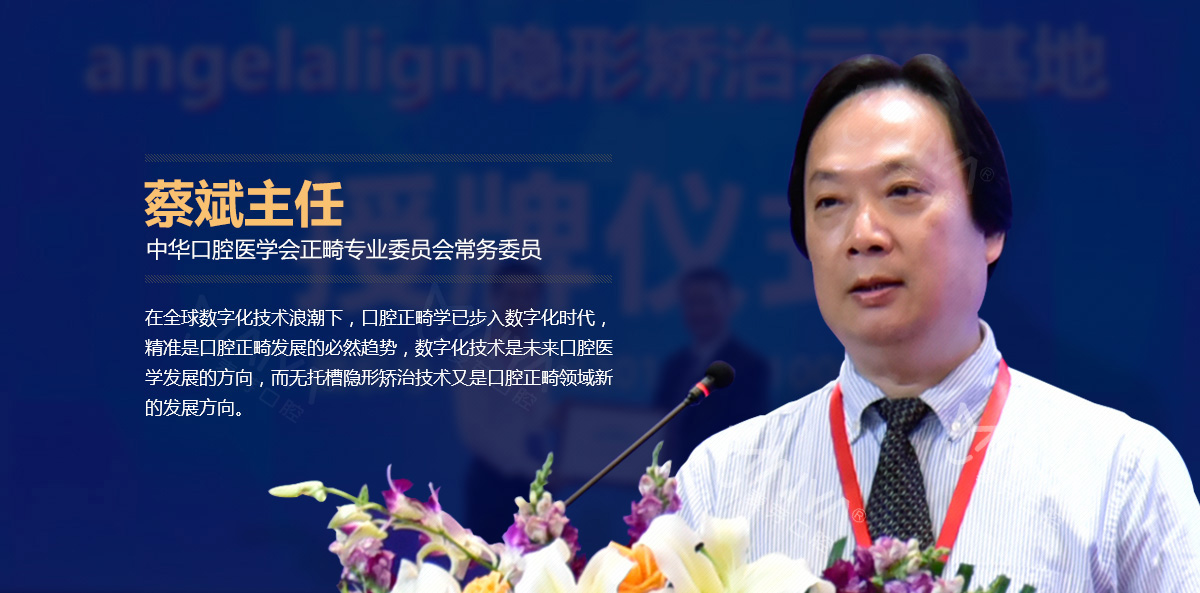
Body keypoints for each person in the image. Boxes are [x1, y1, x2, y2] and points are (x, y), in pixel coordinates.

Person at [674, 54, 1200, 589]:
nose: (863, 234)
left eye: (902, 191)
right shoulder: (723, 485)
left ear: (990, 229)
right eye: (829, 201)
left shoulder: (1119, 476)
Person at [652, 266, 771, 465]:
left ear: (729, 304)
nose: (699, 311)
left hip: (722, 471)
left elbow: (747, 430)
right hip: (672, 474)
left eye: (707, 302)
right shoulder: (673, 366)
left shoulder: (750, 366)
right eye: (692, 303)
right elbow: (657, 420)